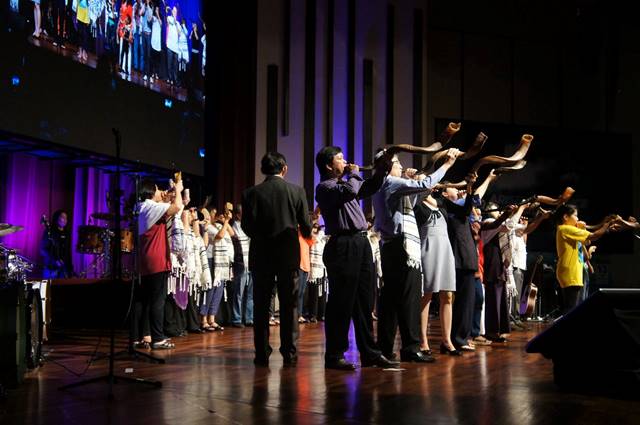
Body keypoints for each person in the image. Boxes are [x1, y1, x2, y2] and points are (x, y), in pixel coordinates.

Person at [372, 150, 458, 363]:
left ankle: (385, 347)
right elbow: (422, 186)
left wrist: (413, 180)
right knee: (409, 299)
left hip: (393, 247)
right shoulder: (389, 181)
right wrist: (447, 165)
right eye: (398, 163)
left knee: (391, 301)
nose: (402, 167)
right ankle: (411, 348)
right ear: (387, 167)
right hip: (402, 247)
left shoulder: (383, 183)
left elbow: (415, 196)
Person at [315, 146, 397, 370]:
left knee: (364, 301)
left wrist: (381, 170)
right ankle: (334, 354)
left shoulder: (345, 184)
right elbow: (350, 191)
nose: (345, 161)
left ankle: (370, 352)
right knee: (341, 301)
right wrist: (353, 173)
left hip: (360, 242)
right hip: (343, 244)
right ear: (328, 166)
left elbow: (368, 187)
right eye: (340, 159)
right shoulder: (325, 187)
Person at [242, 152, 312, 367]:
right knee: (290, 306)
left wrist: (263, 237)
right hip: (288, 256)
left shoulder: (251, 193)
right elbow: (306, 224)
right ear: (284, 168)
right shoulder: (296, 191)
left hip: (261, 255)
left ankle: (261, 353)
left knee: (262, 305)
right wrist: (305, 234)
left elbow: (246, 226)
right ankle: (289, 353)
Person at [137, 178, 183, 349]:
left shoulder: (141, 207)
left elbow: (167, 205)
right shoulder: (151, 207)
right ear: (150, 192)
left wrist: (168, 193)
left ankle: (146, 336)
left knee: (148, 301)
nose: (159, 192)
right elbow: (177, 206)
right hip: (157, 259)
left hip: (146, 260)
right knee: (158, 300)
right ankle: (158, 338)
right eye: (157, 189)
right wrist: (177, 189)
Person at [554, 204, 614, 313]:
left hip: (572, 271)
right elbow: (594, 235)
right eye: (575, 216)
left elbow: (587, 242)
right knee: (570, 309)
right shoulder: (565, 229)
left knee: (571, 308)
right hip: (570, 272)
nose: (578, 218)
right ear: (566, 217)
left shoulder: (570, 230)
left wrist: (582, 227)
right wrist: (607, 224)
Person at [40, 209, 73, 279]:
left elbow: (68, 251)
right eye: (62, 217)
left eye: (66, 218)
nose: (64, 219)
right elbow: (43, 250)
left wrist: (70, 267)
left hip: (63, 268)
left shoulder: (67, 233)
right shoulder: (50, 231)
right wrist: (54, 260)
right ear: (56, 218)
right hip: (51, 267)